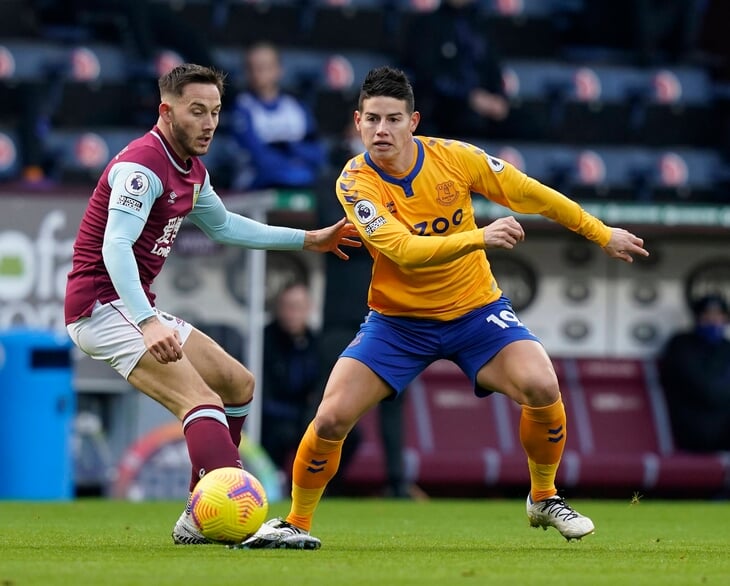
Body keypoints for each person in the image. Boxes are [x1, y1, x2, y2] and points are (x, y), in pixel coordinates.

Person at [236, 66, 649, 550]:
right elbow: (402, 250)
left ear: (414, 121)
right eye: (371, 120)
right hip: (397, 324)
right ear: (357, 121)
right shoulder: (354, 181)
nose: (381, 131)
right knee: (330, 418)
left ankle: (543, 497)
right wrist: (479, 235)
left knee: (541, 384)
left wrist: (601, 232)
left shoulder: (454, 158)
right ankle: (296, 523)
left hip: (475, 312)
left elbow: (531, 193)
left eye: (393, 119)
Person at [63, 63, 360, 545]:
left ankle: (197, 514)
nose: (208, 123)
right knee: (200, 401)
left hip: (131, 306)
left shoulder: (191, 170)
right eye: (196, 111)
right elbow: (114, 247)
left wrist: (308, 239)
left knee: (236, 384)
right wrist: (145, 321)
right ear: (166, 111)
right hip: (101, 306)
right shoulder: (143, 166)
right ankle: (238, 517)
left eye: (215, 112)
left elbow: (225, 226)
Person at [261, 282, 361, 482]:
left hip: (307, 415)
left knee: (349, 434)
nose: (293, 313)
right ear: (279, 309)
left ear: (309, 309)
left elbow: (322, 387)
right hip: (274, 417)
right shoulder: (264, 341)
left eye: (298, 307)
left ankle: (325, 486)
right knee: (280, 434)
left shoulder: (317, 344)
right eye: (288, 306)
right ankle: (271, 485)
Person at [399, 0, 533, 140]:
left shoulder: (481, 25)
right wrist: (470, 97)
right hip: (446, 106)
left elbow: (494, 68)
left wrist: (498, 98)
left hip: (486, 105)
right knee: (465, 119)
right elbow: (427, 75)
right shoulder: (427, 25)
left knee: (526, 122)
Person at [229, 42, 326, 191]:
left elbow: (317, 153)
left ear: (279, 70)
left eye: (265, 67)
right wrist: (292, 153)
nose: (258, 73)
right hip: (256, 183)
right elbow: (258, 156)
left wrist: (290, 149)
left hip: (301, 178)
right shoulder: (243, 108)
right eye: (252, 68)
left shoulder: (296, 108)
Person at [658, 294, 730, 452]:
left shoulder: (726, 347)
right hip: (694, 426)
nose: (713, 320)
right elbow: (706, 391)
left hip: (723, 423)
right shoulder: (682, 344)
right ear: (697, 317)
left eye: (719, 315)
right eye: (707, 315)